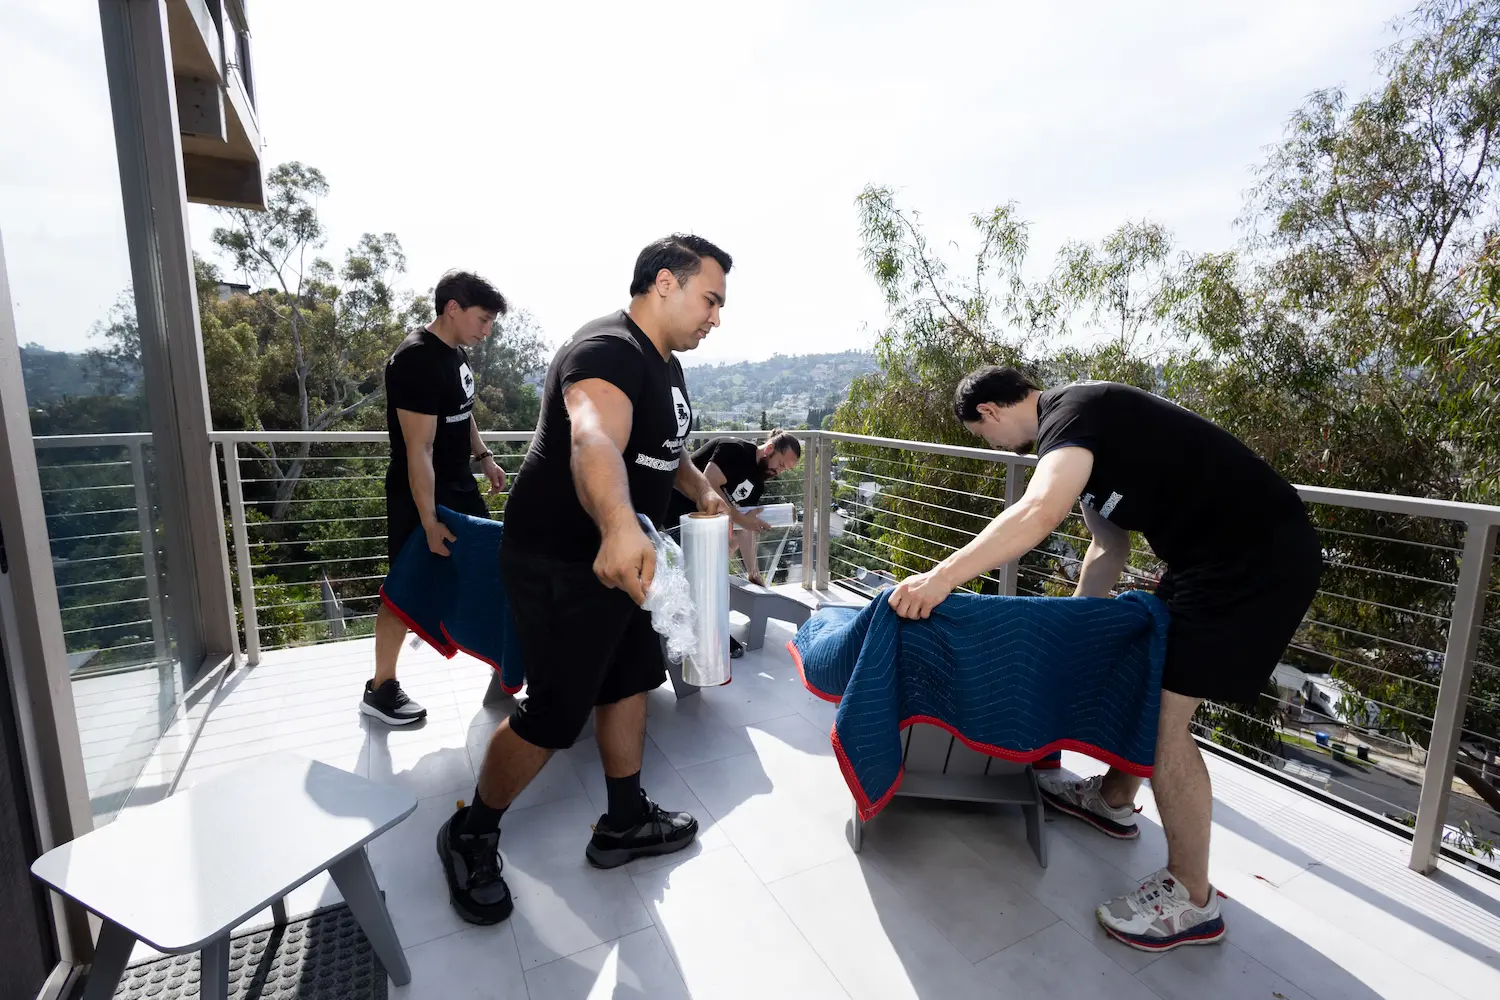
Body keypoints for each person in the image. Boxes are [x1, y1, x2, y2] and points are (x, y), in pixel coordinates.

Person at [887, 368, 1322, 953]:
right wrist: (1070, 632)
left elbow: (1040, 512)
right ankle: (1115, 801)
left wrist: (941, 579)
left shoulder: (1072, 414)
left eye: (980, 434)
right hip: (1206, 564)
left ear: (989, 412)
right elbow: (1105, 546)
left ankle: (1193, 897)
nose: (987, 445)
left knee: (1169, 719)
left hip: (1256, 562)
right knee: (1144, 674)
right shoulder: (1082, 438)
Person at [436, 234, 733, 925]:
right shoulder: (605, 352)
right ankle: (470, 833)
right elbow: (593, 436)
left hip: (623, 564)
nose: (716, 317)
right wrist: (619, 522)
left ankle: (624, 821)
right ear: (665, 283)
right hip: (564, 560)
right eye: (710, 299)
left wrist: (699, 491)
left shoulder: (663, 366)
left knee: (631, 677)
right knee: (556, 713)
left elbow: (664, 448)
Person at [363, 271, 510, 726]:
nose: (487, 330)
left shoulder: (454, 353)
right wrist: (428, 521)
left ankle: (508, 668)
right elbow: (418, 448)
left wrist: (483, 457)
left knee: (496, 565)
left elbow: (461, 412)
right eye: (482, 319)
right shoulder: (416, 360)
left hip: (458, 485)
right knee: (406, 588)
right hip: (423, 494)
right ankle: (380, 687)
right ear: (453, 309)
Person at [667, 431, 801, 585]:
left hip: (697, 525)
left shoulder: (757, 485)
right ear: (769, 449)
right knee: (688, 578)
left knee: (718, 558)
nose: (778, 471)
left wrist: (753, 572)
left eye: (784, 469)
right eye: (781, 464)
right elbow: (708, 484)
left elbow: (746, 526)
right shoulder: (735, 450)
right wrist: (742, 520)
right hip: (672, 512)